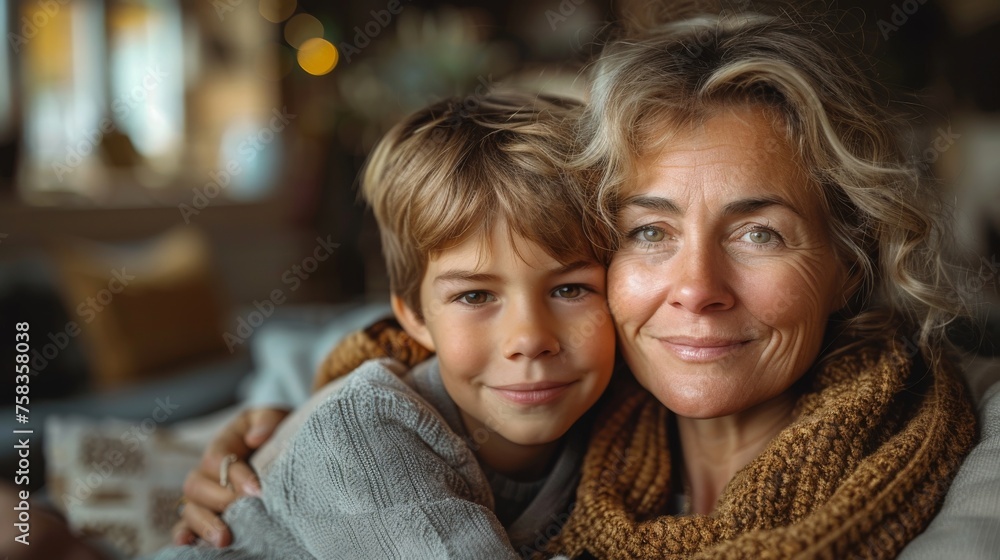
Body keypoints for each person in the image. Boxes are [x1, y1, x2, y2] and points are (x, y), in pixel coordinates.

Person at [178, 8, 997, 560]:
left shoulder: (958, 436)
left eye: (758, 232)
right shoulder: (564, 402)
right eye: (649, 232)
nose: (698, 287)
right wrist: (269, 437)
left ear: (847, 263)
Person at [147, 89, 615, 560]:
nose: (530, 339)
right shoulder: (362, 434)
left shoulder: (626, 435)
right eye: (474, 295)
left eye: (570, 289)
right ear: (413, 316)